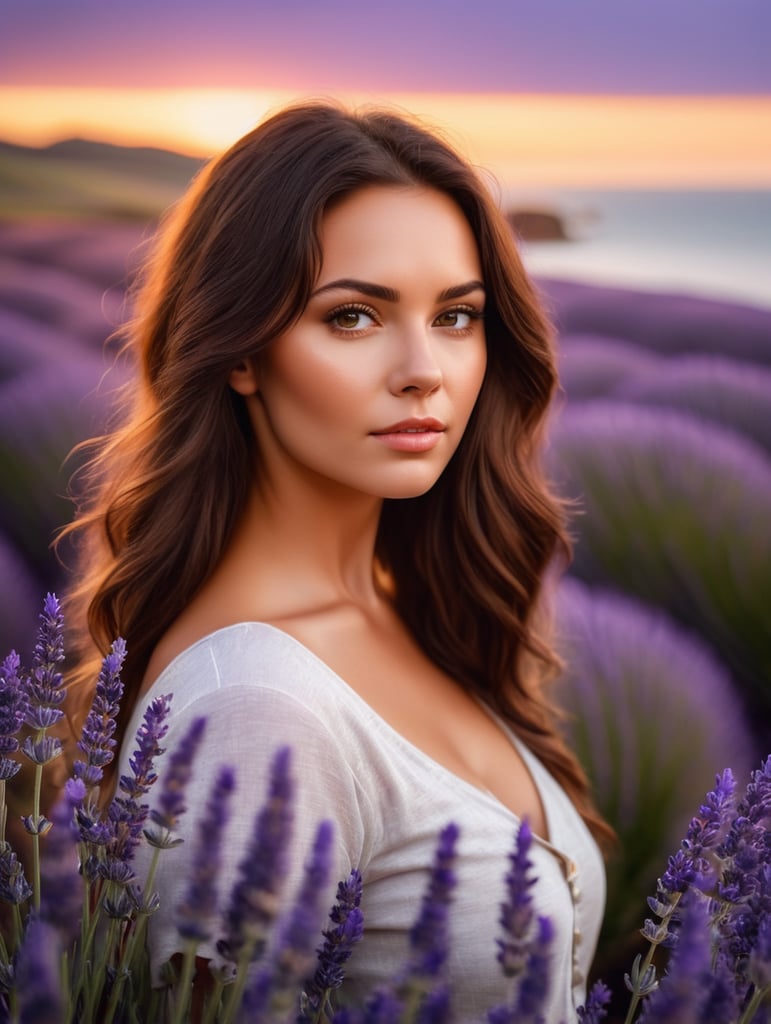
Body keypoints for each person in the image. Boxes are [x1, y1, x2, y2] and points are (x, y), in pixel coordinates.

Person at [63, 100, 611, 1021]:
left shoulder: (407, 608)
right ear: (241, 352)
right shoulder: (255, 709)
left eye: (456, 316)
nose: (422, 369)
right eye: (353, 316)